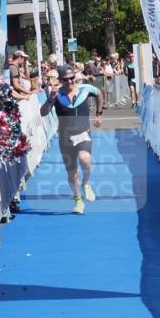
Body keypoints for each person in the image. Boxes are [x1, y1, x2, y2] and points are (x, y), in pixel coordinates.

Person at [39, 64, 103, 214]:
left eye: (72, 78)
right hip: (65, 138)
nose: (70, 81)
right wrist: (51, 98)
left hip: (83, 133)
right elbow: (43, 113)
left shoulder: (85, 89)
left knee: (85, 160)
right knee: (72, 173)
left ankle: (86, 183)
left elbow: (99, 93)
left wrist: (99, 114)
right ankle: (78, 200)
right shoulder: (56, 94)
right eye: (66, 79)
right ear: (61, 80)